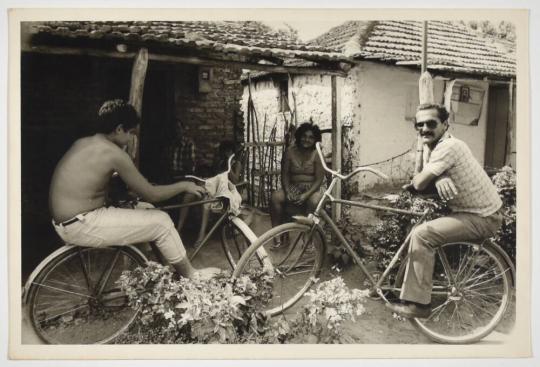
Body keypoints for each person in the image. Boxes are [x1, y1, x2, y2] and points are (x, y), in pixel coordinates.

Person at [49, 99, 220, 280]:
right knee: (161, 221)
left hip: (67, 222)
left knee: (148, 209)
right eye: (130, 133)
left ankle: (164, 270)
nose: (131, 138)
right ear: (119, 129)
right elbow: (152, 194)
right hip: (81, 224)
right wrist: (184, 185)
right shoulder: (114, 153)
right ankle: (190, 274)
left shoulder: (83, 142)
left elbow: (92, 184)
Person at [386, 104, 503, 318]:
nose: (424, 129)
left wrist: (431, 177)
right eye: (419, 125)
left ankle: (419, 305)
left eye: (431, 123)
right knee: (414, 231)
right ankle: (400, 292)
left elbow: (420, 183)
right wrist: (440, 176)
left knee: (423, 235)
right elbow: (425, 177)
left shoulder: (449, 147)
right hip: (468, 211)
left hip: (483, 217)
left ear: (445, 125)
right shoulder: (436, 145)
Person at [270, 122, 325, 230]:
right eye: (304, 136)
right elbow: (284, 175)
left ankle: (307, 237)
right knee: (275, 197)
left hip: (313, 188)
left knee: (313, 201)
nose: (306, 140)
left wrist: (306, 195)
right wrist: (287, 191)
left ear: (315, 140)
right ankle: (277, 234)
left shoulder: (317, 153)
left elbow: (319, 180)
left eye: (311, 137)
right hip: (293, 186)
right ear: (299, 136)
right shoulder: (289, 152)